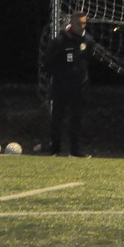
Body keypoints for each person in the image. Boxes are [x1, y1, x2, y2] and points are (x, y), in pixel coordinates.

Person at [43, 11, 95, 157]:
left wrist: (83, 78)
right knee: (57, 118)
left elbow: (88, 60)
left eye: (84, 23)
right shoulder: (59, 41)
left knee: (77, 119)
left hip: (79, 87)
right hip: (61, 86)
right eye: (79, 23)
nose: (81, 26)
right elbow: (48, 62)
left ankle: (75, 151)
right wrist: (58, 76)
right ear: (71, 23)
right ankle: (55, 150)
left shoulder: (88, 41)